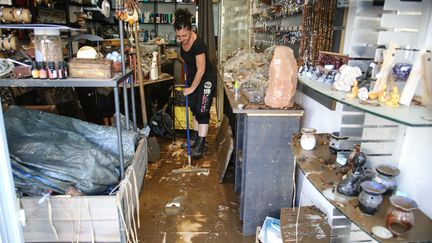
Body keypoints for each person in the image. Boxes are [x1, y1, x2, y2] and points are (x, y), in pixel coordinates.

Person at [175, 8, 216, 159]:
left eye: (184, 35)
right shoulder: (181, 41)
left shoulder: (198, 44)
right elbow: (187, 60)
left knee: (202, 110)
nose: (182, 38)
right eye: (178, 36)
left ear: (190, 30)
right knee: (194, 108)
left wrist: (192, 88)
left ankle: (201, 144)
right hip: (193, 77)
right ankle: (195, 137)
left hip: (206, 78)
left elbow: (201, 69)